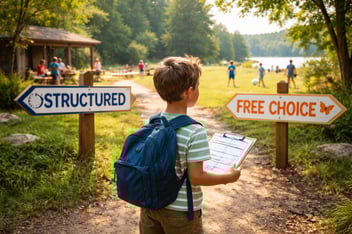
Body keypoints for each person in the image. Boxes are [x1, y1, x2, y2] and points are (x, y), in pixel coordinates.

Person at [140, 56, 242, 233]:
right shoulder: (194, 130)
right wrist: (229, 177)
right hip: (180, 213)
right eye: (198, 86)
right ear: (189, 92)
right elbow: (197, 177)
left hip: (150, 206)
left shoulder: (153, 121)